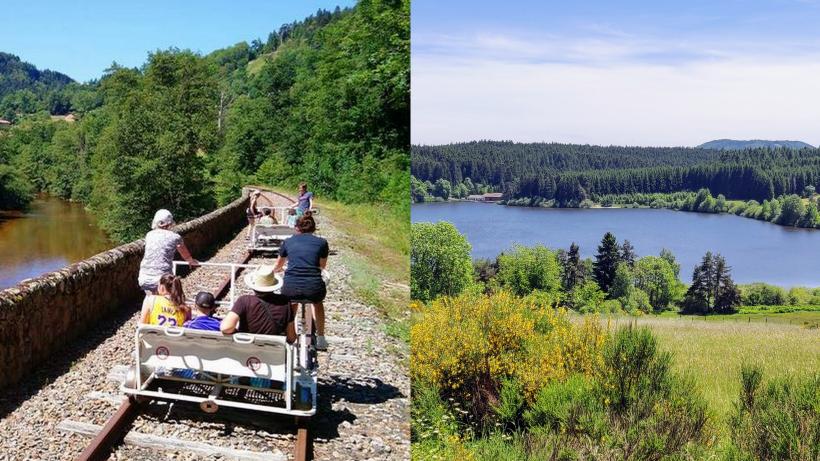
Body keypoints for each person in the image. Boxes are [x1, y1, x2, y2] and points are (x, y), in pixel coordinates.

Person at [273, 215, 329, 350]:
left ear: (297, 228)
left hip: (291, 286)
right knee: (318, 303)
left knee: (291, 304)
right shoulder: (322, 243)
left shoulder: (288, 242)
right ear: (314, 228)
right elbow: (322, 266)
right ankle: (321, 338)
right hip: (313, 287)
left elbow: (278, 266)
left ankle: (290, 336)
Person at [220, 265, 296, 343]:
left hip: (246, 349)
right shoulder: (284, 302)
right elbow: (291, 338)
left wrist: (238, 333)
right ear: (273, 284)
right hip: (275, 351)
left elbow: (226, 328)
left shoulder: (244, 301)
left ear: (254, 284)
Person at [138, 209, 199, 294]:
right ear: (170, 223)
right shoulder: (175, 237)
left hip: (144, 277)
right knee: (173, 297)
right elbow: (185, 255)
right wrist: (191, 261)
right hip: (162, 278)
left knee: (151, 298)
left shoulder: (149, 235)